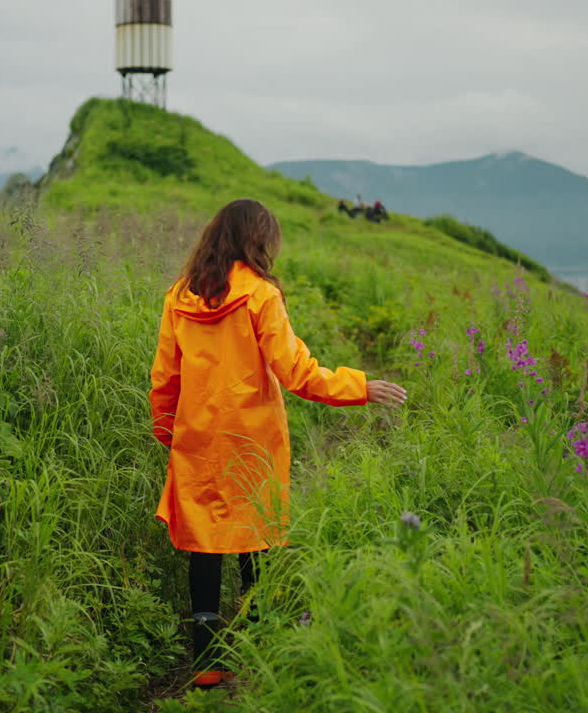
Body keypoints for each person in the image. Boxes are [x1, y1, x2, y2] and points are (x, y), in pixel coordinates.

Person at [148, 198, 408, 688]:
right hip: (252, 436)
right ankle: (258, 643)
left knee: (204, 541)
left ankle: (206, 662)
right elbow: (296, 372)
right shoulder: (260, 295)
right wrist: (358, 386)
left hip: (198, 438)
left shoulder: (180, 296)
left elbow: (165, 377)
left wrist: (169, 433)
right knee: (257, 534)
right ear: (255, 240)